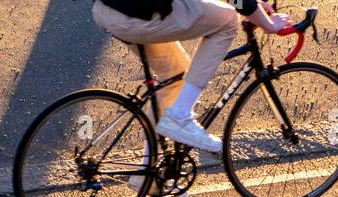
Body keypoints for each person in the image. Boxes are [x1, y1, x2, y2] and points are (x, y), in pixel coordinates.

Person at [91, 0, 293, 154]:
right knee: (228, 20)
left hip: (107, 10)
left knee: (175, 74)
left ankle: (147, 175)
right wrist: (267, 24)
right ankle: (179, 115)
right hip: (139, 16)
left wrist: (252, 6)